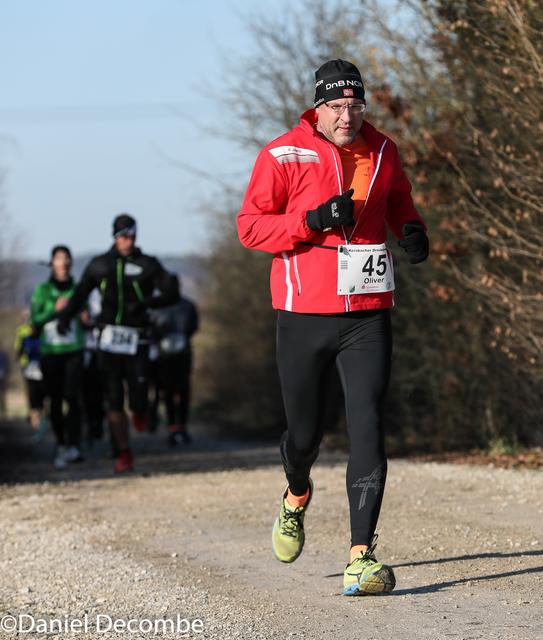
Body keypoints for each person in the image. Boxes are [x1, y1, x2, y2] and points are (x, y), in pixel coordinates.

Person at [237, 59, 429, 596]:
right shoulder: (282, 154)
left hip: (367, 312)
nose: (348, 116)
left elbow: (398, 198)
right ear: (318, 108)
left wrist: (411, 228)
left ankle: (360, 557)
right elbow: (250, 228)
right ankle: (296, 493)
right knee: (304, 436)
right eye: (338, 106)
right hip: (304, 315)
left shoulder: (383, 150)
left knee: (367, 424)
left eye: (356, 105)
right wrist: (312, 220)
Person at [57, 213, 178, 473]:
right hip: (109, 340)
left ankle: (140, 411)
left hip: (137, 338)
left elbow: (172, 293)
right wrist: (65, 318)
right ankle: (123, 452)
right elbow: (80, 294)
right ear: (114, 237)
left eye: (132, 236)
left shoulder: (147, 264)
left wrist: (147, 303)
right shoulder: (100, 265)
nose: (128, 241)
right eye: (123, 236)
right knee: (113, 399)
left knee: (138, 398)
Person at [31, 246, 85, 469]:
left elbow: (88, 315)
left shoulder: (78, 289)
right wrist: (54, 308)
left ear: (71, 263)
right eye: (59, 258)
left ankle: (74, 444)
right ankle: (61, 443)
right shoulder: (43, 289)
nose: (63, 262)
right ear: (52, 263)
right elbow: (35, 319)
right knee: (54, 400)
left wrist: (85, 317)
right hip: (50, 352)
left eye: (66, 258)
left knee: (73, 398)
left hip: (74, 349)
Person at [150, 275, 199, 446]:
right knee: (168, 391)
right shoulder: (156, 307)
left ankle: (181, 426)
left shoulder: (188, 306)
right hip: (163, 356)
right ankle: (172, 427)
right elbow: (150, 328)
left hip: (183, 354)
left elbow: (193, 326)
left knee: (182, 390)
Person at [14, 309, 46, 440]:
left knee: (43, 398)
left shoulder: (43, 336)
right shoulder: (24, 336)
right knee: (33, 398)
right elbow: (19, 350)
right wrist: (21, 360)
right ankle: (36, 427)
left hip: (43, 371)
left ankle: (43, 425)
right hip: (30, 371)